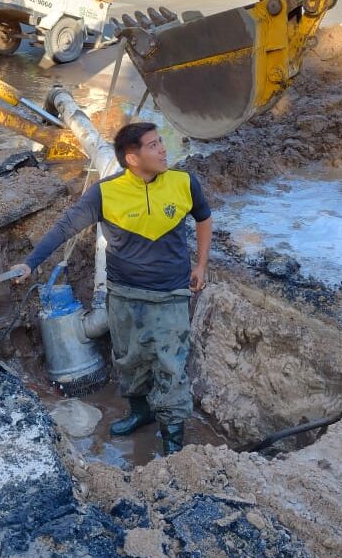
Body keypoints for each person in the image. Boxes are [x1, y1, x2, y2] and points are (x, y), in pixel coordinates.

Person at [12, 122, 213, 454]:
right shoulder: (105, 193)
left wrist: (201, 264)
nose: (163, 149)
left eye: (161, 142)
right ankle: (141, 412)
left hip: (170, 294)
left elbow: (204, 218)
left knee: (170, 365)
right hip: (123, 295)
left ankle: (173, 432)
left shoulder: (183, 182)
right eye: (153, 145)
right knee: (129, 359)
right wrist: (30, 262)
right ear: (132, 158)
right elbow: (65, 227)